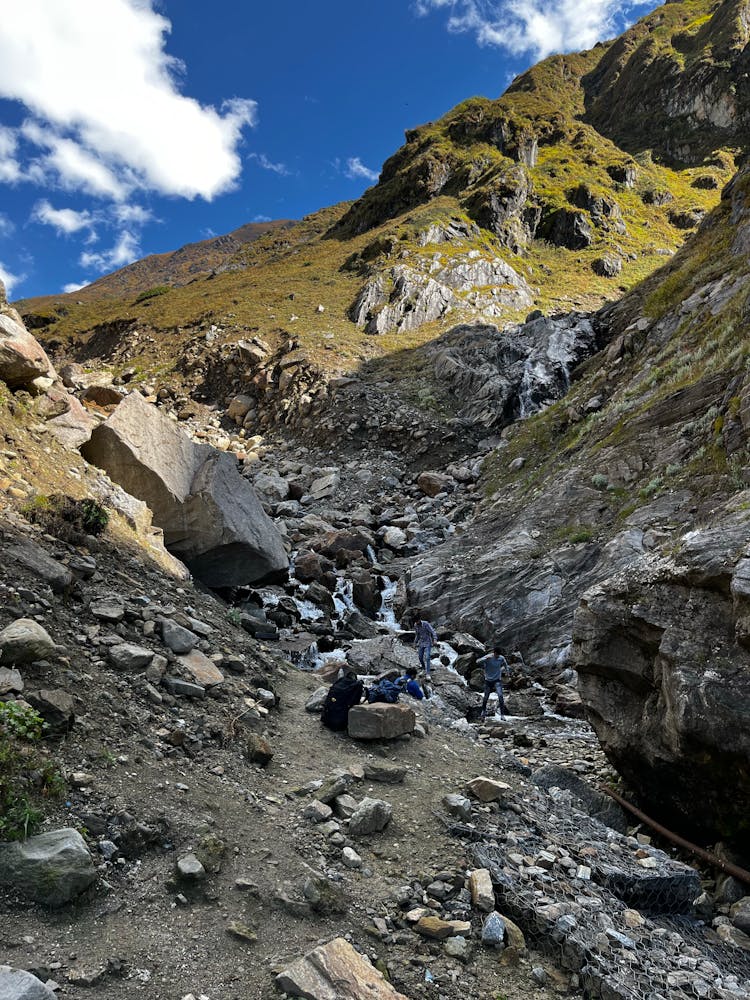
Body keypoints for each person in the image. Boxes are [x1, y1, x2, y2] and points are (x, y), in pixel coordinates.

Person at [477, 646, 510, 719]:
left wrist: (507, 671)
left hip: (497, 680)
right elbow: (477, 661)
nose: (498, 656)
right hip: (488, 681)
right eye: (497, 655)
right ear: (494, 653)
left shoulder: (501, 658)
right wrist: (485, 659)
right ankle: (483, 711)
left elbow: (505, 664)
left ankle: (502, 715)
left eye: (499, 655)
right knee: (486, 697)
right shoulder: (488, 657)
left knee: (500, 696)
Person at [413, 612, 438, 680]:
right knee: (420, 657)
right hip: (421, 643)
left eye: (417, 621)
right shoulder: (415, 625)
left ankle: (428, 674)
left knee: (427, 657)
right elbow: (417, 635)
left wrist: (435, 639)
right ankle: (423, 669)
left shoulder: (426, 624)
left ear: (419, 620)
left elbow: (433, 631)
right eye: (415, 621)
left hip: (428, 642)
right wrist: (415, 643)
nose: (417, 622)